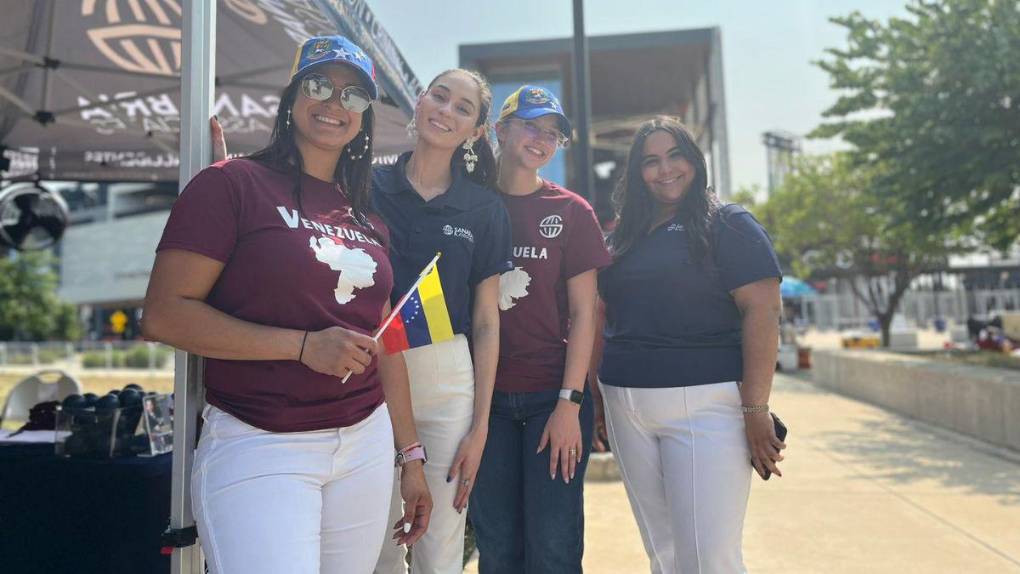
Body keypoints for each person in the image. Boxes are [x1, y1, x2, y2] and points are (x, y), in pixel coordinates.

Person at [143, 35, 430, 574]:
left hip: (363, 443)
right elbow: (163, 313)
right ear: (292, 95)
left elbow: (386, 342)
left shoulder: (369, 220)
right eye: (319, 84)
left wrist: (411, 457)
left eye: (353, 95)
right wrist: (301, 347)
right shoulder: (232, 184)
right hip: (261, 441)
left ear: (365, 115)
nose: (334, 103)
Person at [591, 116, 786, 574]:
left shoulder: (728, 224)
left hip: (706, 406)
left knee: (707, 558)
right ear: (637, 172)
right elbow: (599, 314)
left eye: (675, 156)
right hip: (625, 404)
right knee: (664, 553)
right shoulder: (622, 237)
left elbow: (763, 312)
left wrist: (756, 410)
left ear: (694, 161)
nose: (665, 170)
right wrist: (596, 396)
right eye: (651, 161)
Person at [371, 69, 512, 574]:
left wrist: (480, 427)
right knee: (379, 540)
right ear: (419, 100)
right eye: (440, 96)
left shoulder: (485, 209)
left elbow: (487, 323)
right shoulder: (365, 184)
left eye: (463, 108)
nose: (446, 111)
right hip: (371, 372)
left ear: (476, 132)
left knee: (442, 543)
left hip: (449, 379)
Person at [468, 86, 611, 573]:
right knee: (498, 547)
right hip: (485, 403)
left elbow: (585, 312)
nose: (542, 139)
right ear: (500, 130)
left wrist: (571, 403)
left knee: (553, 548)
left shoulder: (572, 211)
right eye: (531, 126)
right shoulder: (470, 205)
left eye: (552, 134)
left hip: (553, 396)